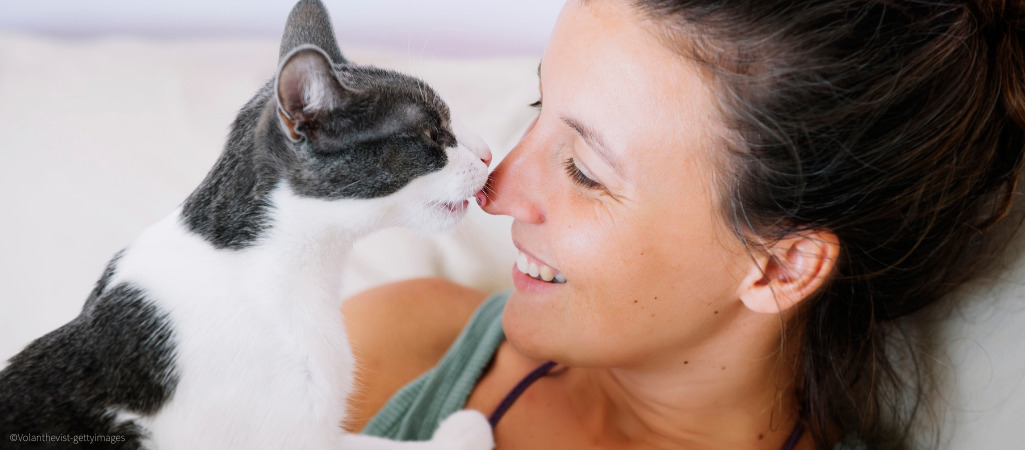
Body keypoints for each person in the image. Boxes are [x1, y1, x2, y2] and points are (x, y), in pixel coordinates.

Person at [342, 0, 1025, 448]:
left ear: (779, 267)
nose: (494, 190)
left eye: (583, 169)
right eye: (537, 101)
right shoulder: (389, 346)